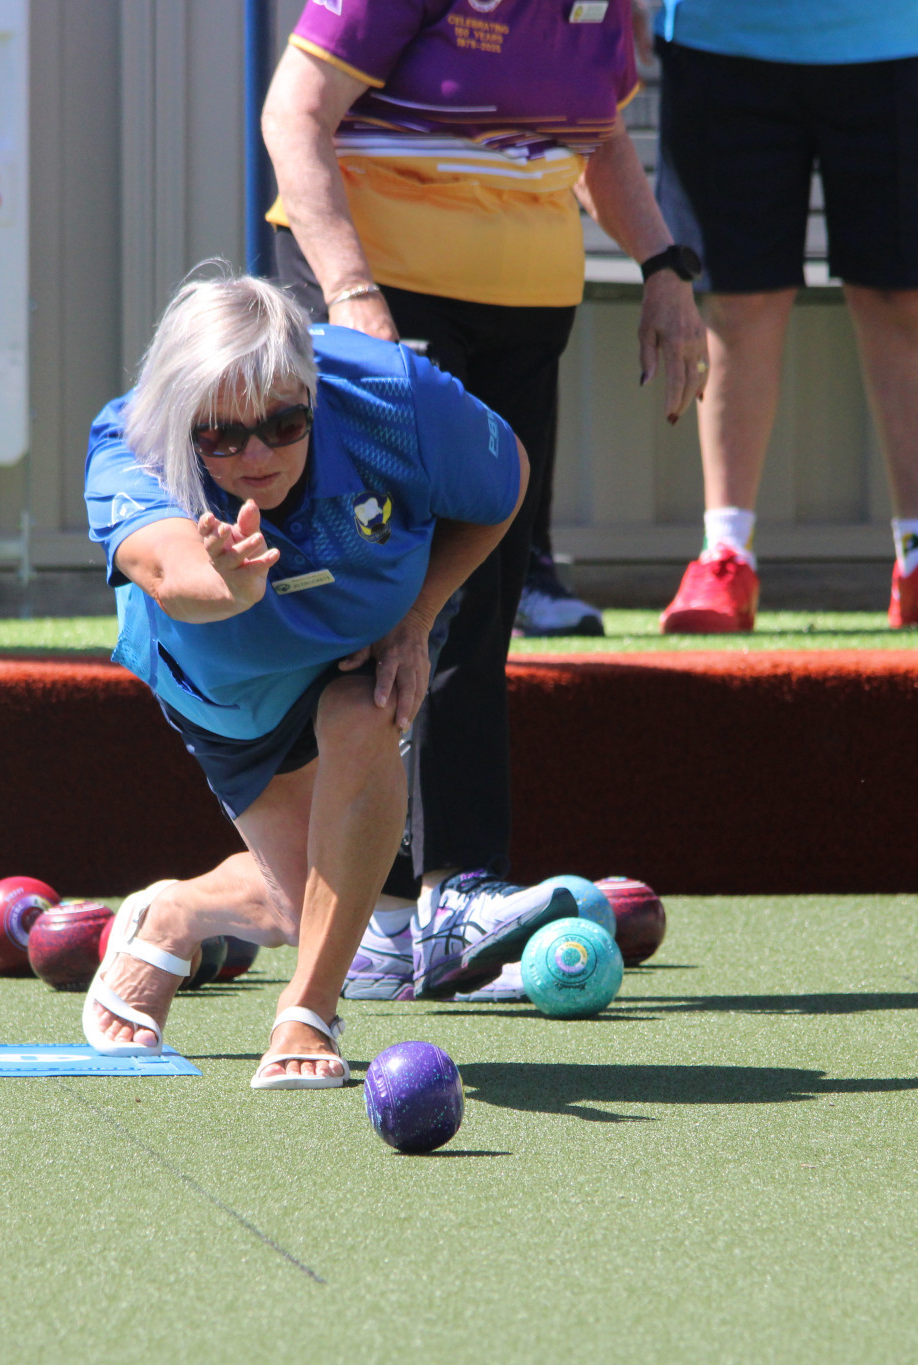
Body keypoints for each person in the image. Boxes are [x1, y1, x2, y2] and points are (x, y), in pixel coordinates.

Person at [260, 0, 708, 1001]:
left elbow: (596, 141)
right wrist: (351, 299)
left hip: (522, 319)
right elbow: (292, 114)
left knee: (483, 594)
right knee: (388, 595)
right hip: (382, 298)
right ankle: (370, 912)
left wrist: (663, 265)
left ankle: (449, 895)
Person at [82, 272, 580, 1087]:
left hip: (364, 645)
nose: (256, 454)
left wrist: (418, 618)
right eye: (224, 437)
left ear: (311, 391)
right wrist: (231, 587)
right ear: (185, 423)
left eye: (284, 424)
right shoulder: (133, 442)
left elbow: (505, 480)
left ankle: (307, 1014)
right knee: (322, 907)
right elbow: (170, 573)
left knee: (363, 720)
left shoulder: (395, 399)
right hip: (229, 688)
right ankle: (174, 911)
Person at [650, 0, 918, 633]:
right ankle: (725, 555)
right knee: (738, 302)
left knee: (903, 297)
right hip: (720, 34)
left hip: (912, 33)